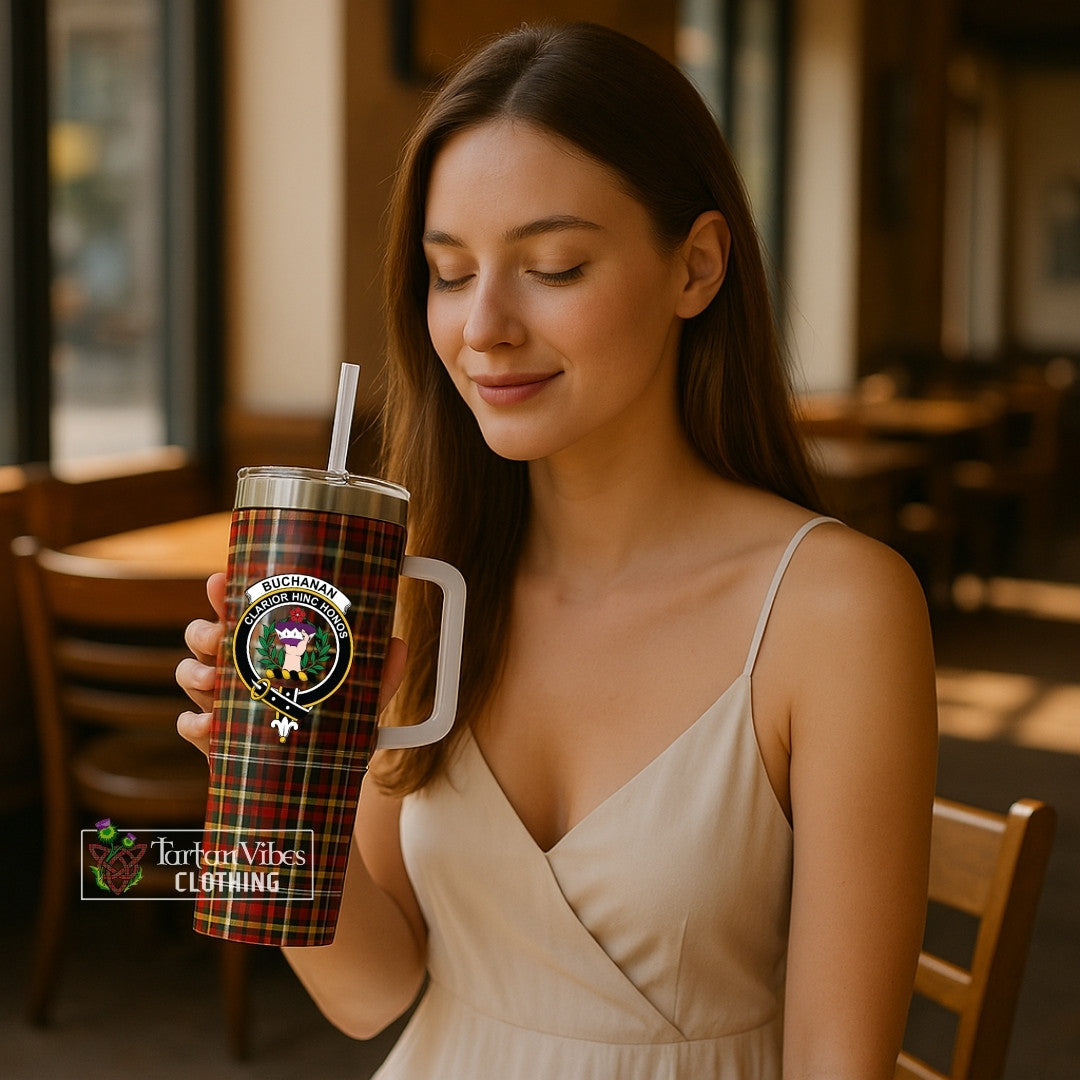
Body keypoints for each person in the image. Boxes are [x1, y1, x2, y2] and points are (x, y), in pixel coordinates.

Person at [178, 22, 937, 1079]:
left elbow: (837, 1063)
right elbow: (371, 994)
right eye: (450, 273)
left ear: (697, 266)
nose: (483, 326)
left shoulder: (836, 610)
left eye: (553, 266)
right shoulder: (428, 582)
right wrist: (266, 778)